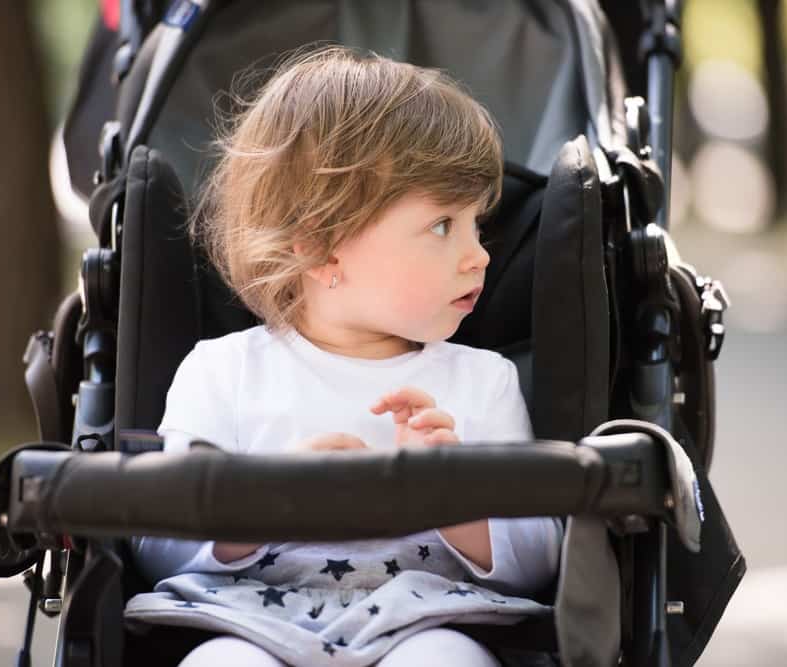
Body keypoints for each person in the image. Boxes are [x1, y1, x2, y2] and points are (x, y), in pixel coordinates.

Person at [124, 45, 562, 667]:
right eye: (443, 226)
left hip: (424, 622)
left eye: (478, 225)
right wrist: (264, 500)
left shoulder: (481, 382)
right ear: (322, 249)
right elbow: (153, 546)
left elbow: (542, 558)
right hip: (245, 624)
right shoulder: (221, 371)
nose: (479, 254)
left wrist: (456, 497)